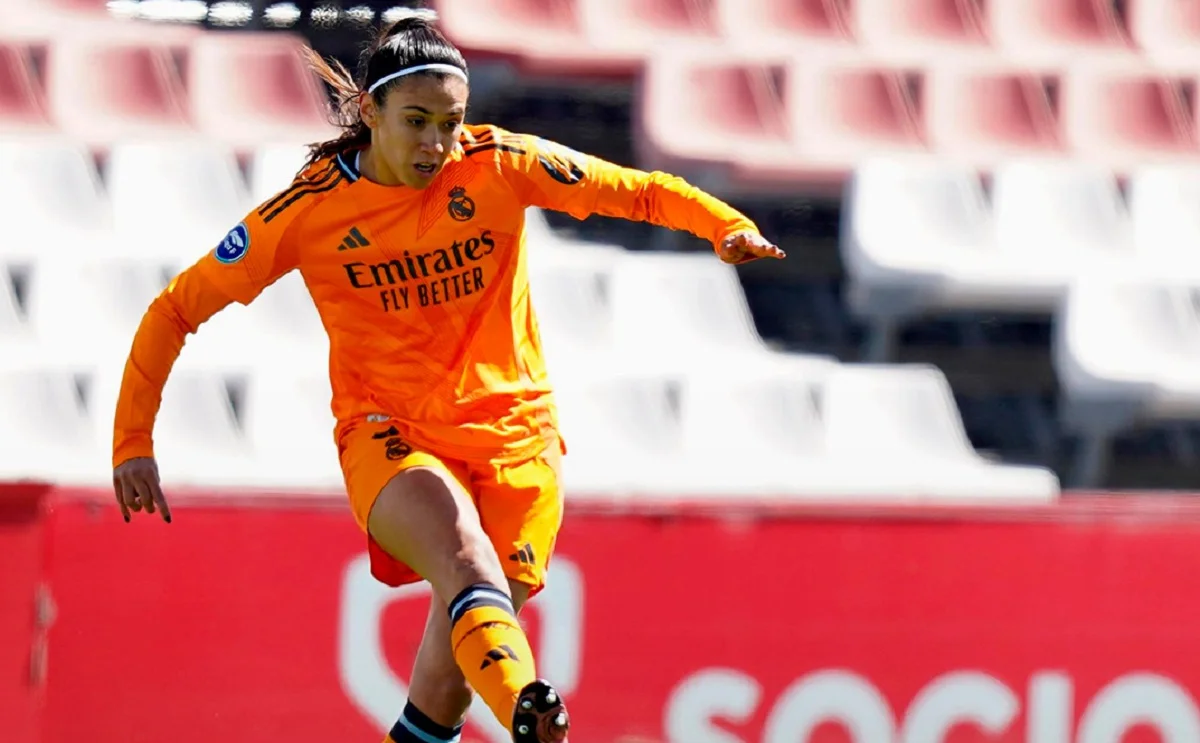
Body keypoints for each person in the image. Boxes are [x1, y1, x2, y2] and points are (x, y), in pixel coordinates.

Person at [110, 8, 785, 743]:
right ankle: (532, 709)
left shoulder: (498, 164)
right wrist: (131, 440)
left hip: (519, 440)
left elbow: (638, 191)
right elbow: (176, 309)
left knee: (446, 682)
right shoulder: (308, 212)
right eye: (417, 120)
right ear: (370, 112)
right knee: (466, 562)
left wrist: (722, 225)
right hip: (391, 433)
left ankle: (505, 707)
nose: (436, 142)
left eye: (451, 121)